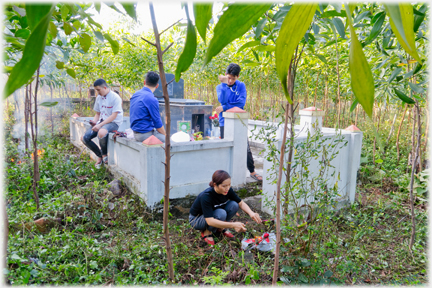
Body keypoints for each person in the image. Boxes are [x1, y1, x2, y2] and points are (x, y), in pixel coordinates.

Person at [215, 63, 263, 181]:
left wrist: (224, 107)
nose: (230, 80)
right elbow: (222, 100)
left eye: (233, 78)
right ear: (225, 75)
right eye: (228, 77)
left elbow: (241, 104)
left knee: (245, 147)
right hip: (224, 121)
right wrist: (225, 84)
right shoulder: (220, 86)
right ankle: (223, 175)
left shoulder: (241, 86)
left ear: (238, 76)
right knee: (225, 148)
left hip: (239, 121)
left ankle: (252, 171)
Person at [189, 170, 262, 246]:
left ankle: (220, 228)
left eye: (229, 185)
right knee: (221, 213)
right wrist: (232, 225)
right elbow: (210, 221)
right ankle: (207, 232)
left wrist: (251, 213)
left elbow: (240, 203)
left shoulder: (227, 190)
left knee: (234, 205)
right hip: (197, 220)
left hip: (214, 213)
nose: (227, 188)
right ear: (215, 184)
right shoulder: (206, 196)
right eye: (224, 186)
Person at [81, 79, 123, 168]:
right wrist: (95, 122)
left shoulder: (115, 97)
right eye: (96, 90)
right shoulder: (99, 98)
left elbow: (113, 116)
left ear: (105, 87)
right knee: (84, 138)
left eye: (98, 90)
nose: (97, 92)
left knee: (102, 132)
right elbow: (97, 114)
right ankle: (99, 155)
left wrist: (99, 125)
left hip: (113, 122)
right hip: (101, 122)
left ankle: (104, 155)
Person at [130, 71, 166, 143]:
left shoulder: (135, 94)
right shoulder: (151, 99)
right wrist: (166, 136)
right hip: (145, 135)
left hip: (135, 132)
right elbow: (158, 124)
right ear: (157, 86)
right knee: (168, 141)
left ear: (144, 82)